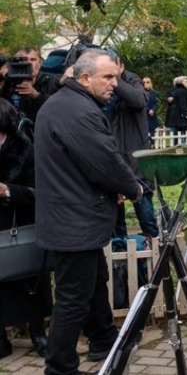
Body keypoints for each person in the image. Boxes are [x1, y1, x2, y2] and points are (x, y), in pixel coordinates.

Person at [34, 49, 143, 375]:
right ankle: (60, 367)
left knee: (95, 281)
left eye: (116, 76)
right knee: (72, 299)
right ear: (84, 78)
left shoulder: (67, 104)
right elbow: (105, 162)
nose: (115, 83)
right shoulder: (78, 111)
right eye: (108, 77)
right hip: (74, 222)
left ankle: (102, 338)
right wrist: (134, 188)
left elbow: (83, 164)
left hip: (75, 217)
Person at [0, 98, 52, 359]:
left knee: (31, 282)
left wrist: (7, 190)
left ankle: (38, 332)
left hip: (21, 225)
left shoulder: (25, 150)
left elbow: (38, 191)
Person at [103, 50, 158, 240]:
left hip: (137, 163)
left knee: (146, 218)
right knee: (116, 224)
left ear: (121, 67)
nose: (107, 75)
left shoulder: (134, 82)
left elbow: (139, 101)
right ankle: (122, 265)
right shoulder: (98, 86)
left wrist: (115, 81)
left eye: (111, 69)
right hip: (112, 161)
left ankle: (156, 261)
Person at [0, 46, 60, 123]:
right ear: (14, 64)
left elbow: (59, 107)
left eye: (33, 60)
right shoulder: (7, 82)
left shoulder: (50, 82)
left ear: (40, 64)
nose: (28, 63)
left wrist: (36, 95)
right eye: (23, 59)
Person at [166, 76, 187, 144]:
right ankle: (182, 149)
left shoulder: (179, 91)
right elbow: (182, 104)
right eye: (185, 82)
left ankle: (176, 149)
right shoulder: (182, 91)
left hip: (175, 117)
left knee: (176, 136)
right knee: (182, 134)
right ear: (180, 83)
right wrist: (186, 114)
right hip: (179, 117)